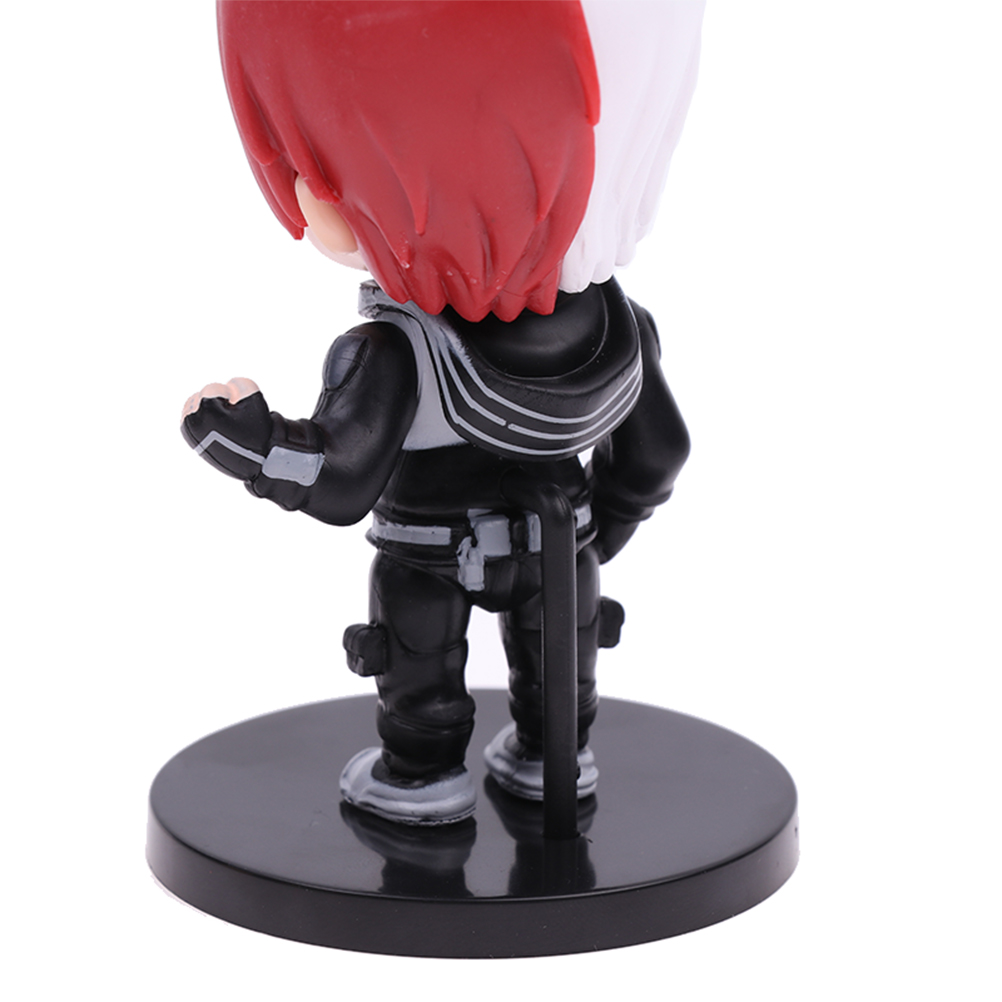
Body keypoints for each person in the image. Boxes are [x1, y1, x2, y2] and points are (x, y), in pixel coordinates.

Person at [182, 0, 704, 824]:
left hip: (426, 557)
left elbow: (337, 480)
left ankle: (420, 778)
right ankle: (554, 756)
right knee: (559, 689)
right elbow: (658, 453)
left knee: (418, 682)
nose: (304, 192)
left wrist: (246, 443)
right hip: (560, 549)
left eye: (313, 166)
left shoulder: (393, 346)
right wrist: (595, 533)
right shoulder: (617, 325)